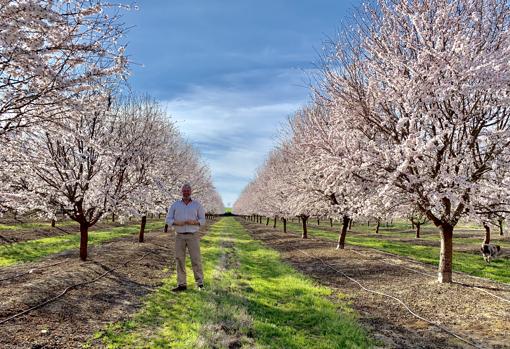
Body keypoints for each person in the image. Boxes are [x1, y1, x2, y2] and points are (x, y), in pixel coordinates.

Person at [166, 183, 206, 291]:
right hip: (179, 236)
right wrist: (176, 223)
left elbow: (203, 220)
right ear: (181, 192)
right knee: (179, 259)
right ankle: (182, 284)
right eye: (184, 190)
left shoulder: (197, 205)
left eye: (188, 190)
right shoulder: (175, 205)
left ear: (191, 192)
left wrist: (195, 222)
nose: (186, 192)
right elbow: (168, 219)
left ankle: (200, 283)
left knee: (196, 259)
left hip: (193, 235)